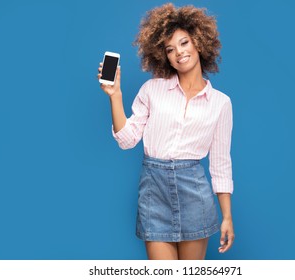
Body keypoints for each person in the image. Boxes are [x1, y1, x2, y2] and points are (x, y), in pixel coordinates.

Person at [97, 3, 235, 260]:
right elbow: (127, 141)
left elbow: (220, 164)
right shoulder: (152, 90)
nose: (179, 53)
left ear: (199, 43)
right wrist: (115, 96)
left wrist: (227, 216)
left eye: (184, 43)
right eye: (170, 49)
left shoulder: (221, 103)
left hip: (194, 192)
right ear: (164, 56)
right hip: (154, 189)